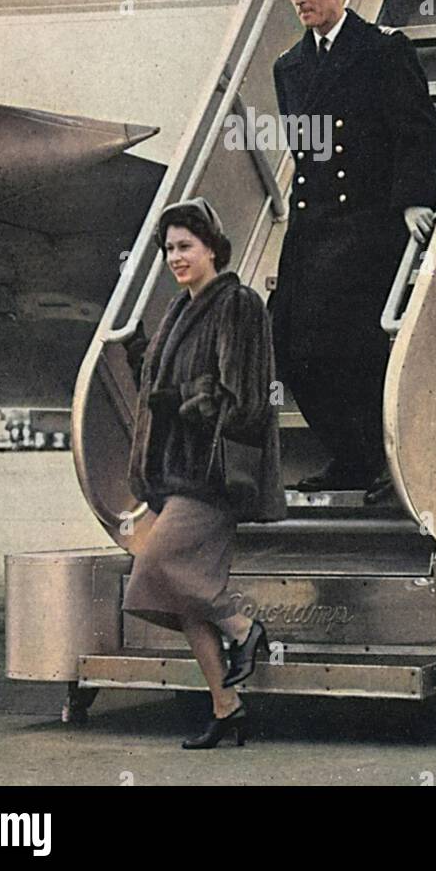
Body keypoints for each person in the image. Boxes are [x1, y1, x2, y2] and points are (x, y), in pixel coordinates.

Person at [268, 0, 436, 501]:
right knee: (289, 346)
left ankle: (384, 464)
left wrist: (414, 199)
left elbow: (414, 127)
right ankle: (352, 454)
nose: (301, 1)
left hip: (367, 224)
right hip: (312, 226)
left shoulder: (381, 50)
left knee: (359, 349)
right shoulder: (289, 66)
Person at [124, 198, 285, 750]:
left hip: (214, 471)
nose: (175, 257)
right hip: (179, 472)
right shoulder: (178, 309)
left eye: (185, 246)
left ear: (212, 247)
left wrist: (181, 400)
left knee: (158, 564)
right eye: (168, 248)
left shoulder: (237, 303)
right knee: (172, 590)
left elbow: (242, 398)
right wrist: (144, 359)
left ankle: (243, 626)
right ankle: (227, 705)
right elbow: (171, 386)